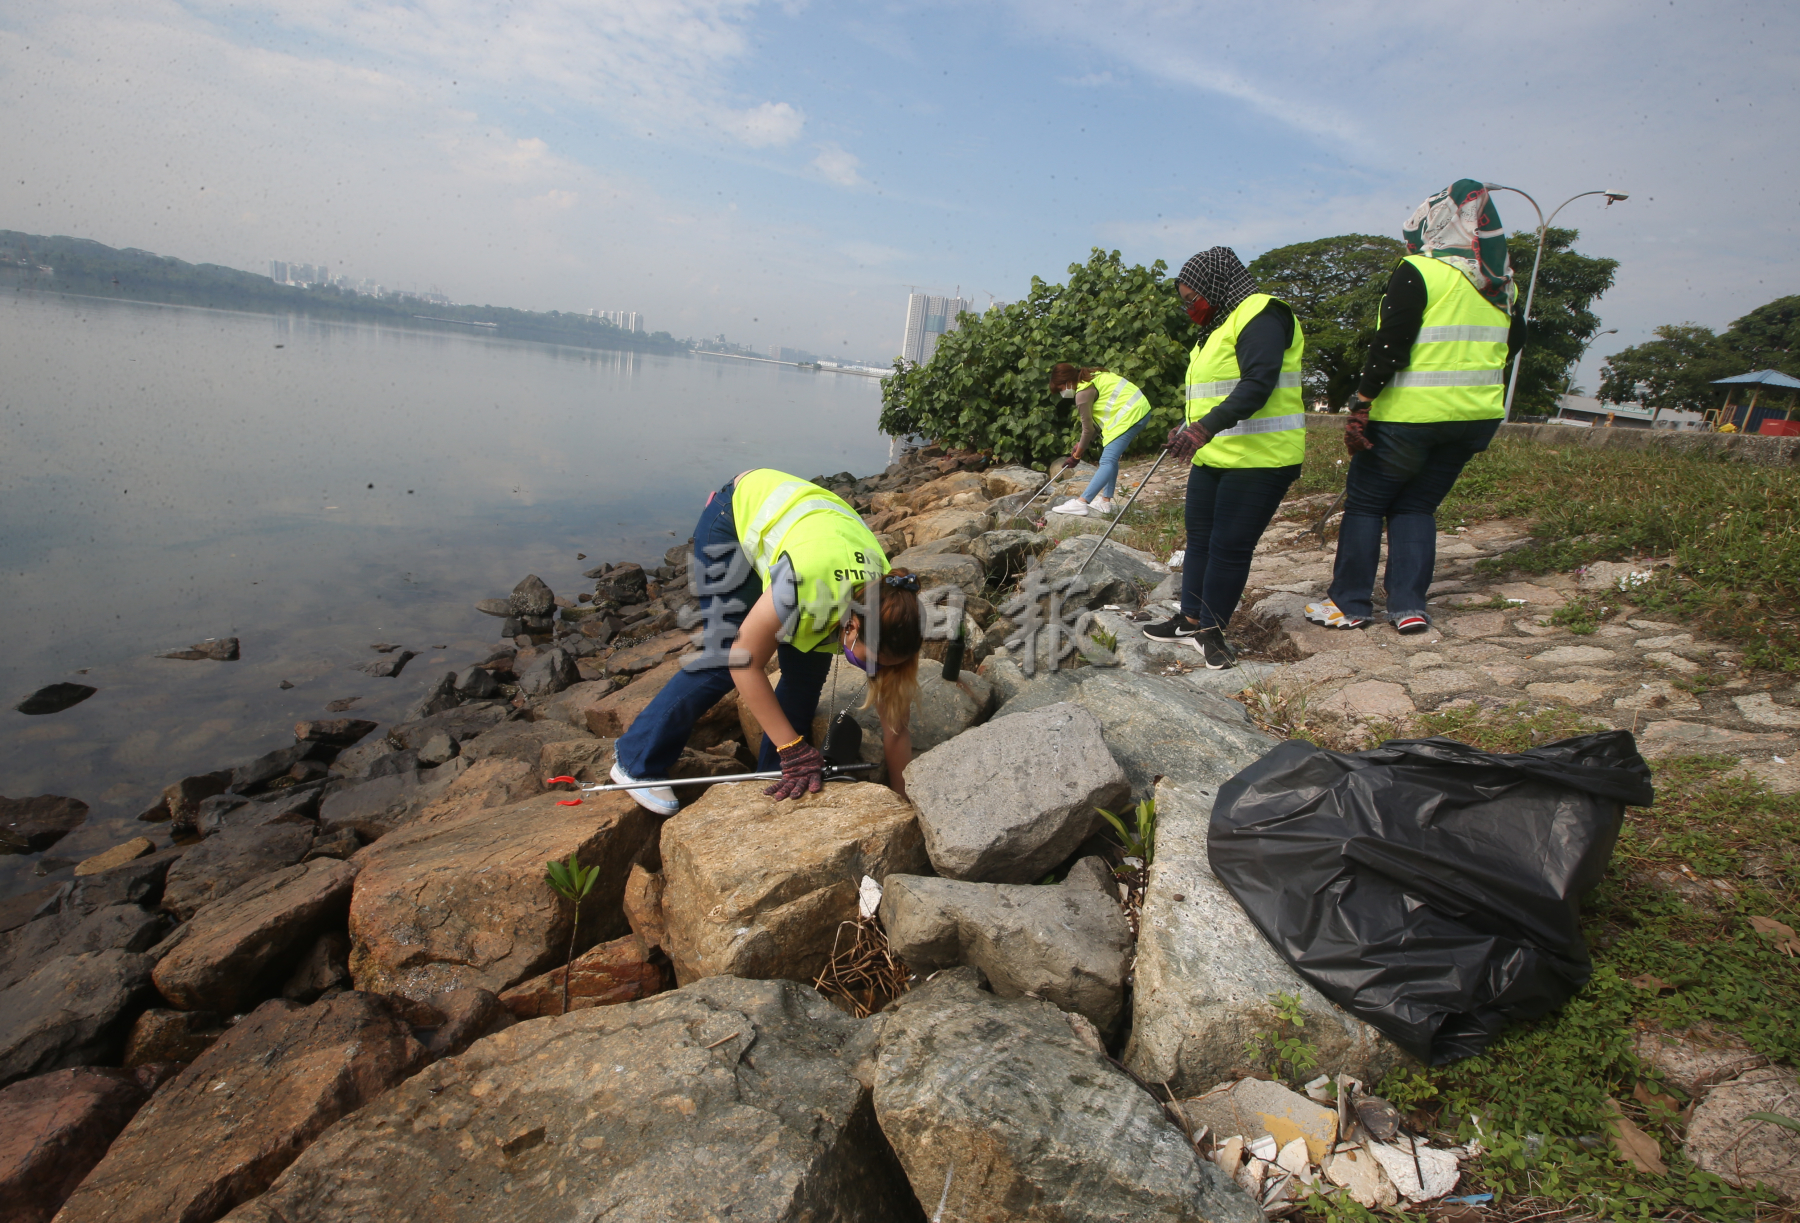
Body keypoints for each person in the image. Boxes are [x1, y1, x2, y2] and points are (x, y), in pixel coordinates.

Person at [609, 469, 924, 815]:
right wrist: (793, 748)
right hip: (735, 521)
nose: (874, 671)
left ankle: (774, 775)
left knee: (805, 678)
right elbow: (742, 660)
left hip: (813, 537)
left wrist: (905, 804)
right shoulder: (805, 583)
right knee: (723, 658)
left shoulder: (888, 603)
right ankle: (635, 760)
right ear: (852, 625)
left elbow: (896, 731)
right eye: (868, 662)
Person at [1305, 180, 1525, 635]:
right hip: (1474, 419)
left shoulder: (1420, 270)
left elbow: (1391, 344)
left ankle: (1350, 604)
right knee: (1417, 507)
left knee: (1367, 505)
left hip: (1409, 417)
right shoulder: (1499, 283)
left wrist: (1362, 402)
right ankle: (1408, 607)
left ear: (1435, 223)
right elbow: (1515, 339)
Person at [1142, 247, 1306, 669]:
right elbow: (1211, 393)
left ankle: (1211, 630)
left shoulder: (1262, 314)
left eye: (1192, 299)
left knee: (1230, 545)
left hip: (1261, 458)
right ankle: (1189, 619)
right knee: (1199, 539)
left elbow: (1257, 383)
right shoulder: (1215, 329)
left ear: (1215, 286)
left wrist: (1203, 429)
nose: (1189, 308)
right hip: (1214, 456)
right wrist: (1187, 425)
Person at [1045, 363, 1152, 517]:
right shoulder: (1093, 376)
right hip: (1139, 410)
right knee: (1110, 459)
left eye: (1061, 389)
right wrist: (1080, 446)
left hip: (1130, 416)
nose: (1062, 393)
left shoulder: (1082, 395)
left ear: (1068, 382)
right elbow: (1093, 428)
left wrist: (1077, 455)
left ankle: (1081, 503)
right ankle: (1105, 501)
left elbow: (1087, 429)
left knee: (1107, 460)